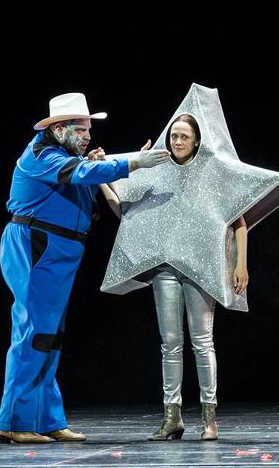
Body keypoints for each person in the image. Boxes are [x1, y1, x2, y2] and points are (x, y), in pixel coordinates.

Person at [0, 92, 170, 445]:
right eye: (81, 128)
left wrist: (109, 166)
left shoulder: (64, 156)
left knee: (50, 337)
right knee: (33, 332)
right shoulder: (40, 155)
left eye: (89, 128)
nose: (88, 135)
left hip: (59, 251)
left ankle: (46, 420)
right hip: (36, 246)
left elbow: (85, 179)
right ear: (58, 129)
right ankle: (14, 421)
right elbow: (80, 174)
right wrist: (133, 161)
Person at [100, 113, 247, 441]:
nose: (177, 141)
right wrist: (100, 180)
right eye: (173, 136)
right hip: (166, 271)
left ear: (196, 140)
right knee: (170, 345)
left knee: (202, 342)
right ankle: (172, 417)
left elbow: (239, 221)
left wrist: (240, 265)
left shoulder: (211, 173)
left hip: (199, 270)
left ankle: (210, 418)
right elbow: (125, 212)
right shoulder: (157, 171)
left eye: (183, 136)